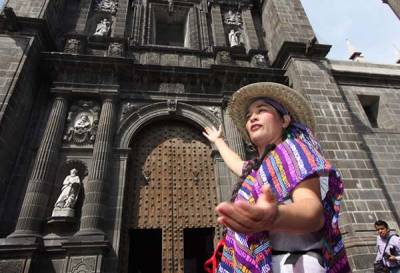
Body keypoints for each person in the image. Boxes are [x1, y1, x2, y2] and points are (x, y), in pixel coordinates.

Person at [203, 82, 350, 273]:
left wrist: (274, 216)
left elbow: (312, 211)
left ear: (285, 120)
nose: (252, 117)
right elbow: (237, 163)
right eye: (248, 117)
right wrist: (218, 141)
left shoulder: (294, 151)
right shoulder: (259, 168)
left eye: (261, 110)